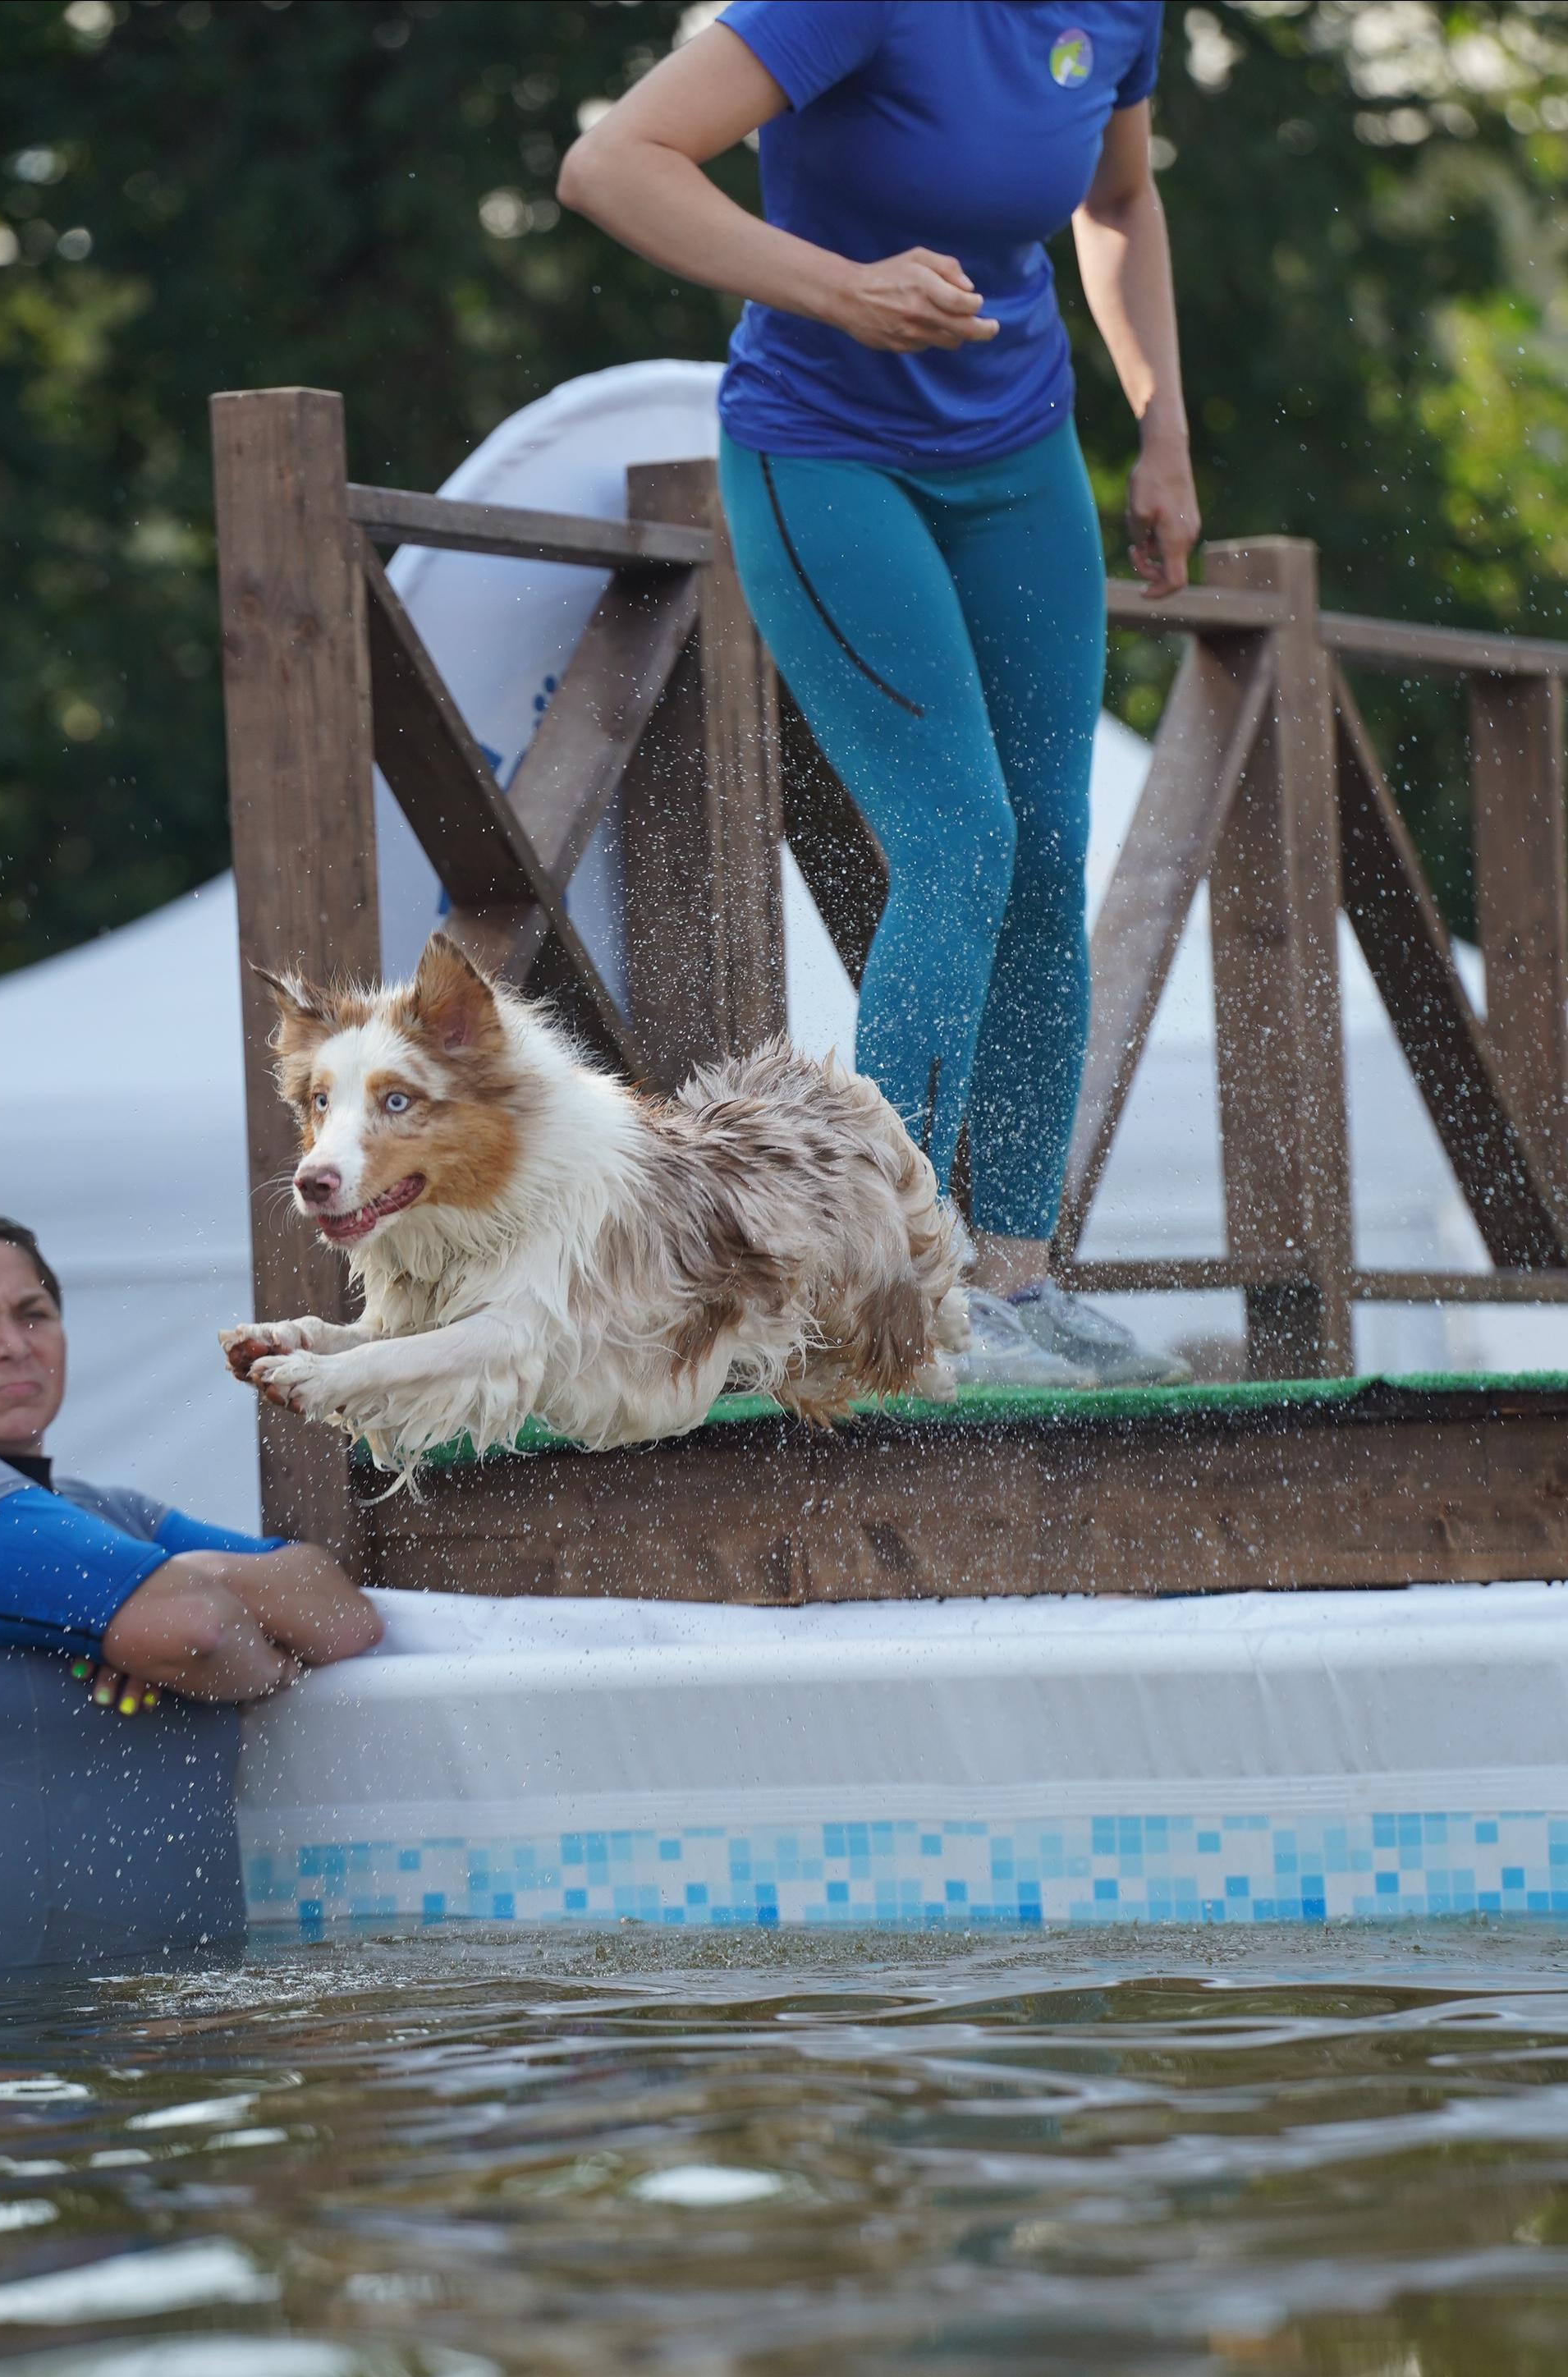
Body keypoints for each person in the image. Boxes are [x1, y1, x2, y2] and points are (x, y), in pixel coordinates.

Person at [560, 1, 1200, 1386]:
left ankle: (1017, 1284)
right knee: (960, 841)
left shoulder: (1120, 11)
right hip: (825, 454)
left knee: (1044, 857)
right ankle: (880, 1294)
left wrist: (1163, 429)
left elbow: (1120, 201)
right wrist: (841, 290)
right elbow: (611, 163)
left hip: (1023, 456)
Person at [0, 1200, 382, 1968]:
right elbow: (198, 1632)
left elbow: (342, 1613)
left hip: (173, 2020)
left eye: (33, 1314)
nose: (12, 1345)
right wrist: (247, 1650)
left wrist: (183, 1585)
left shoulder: (109, 1513)